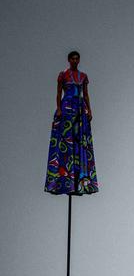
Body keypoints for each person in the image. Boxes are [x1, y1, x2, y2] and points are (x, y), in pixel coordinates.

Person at [45, 50, 98, 195]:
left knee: (78, 141)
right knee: (65, 142)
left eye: (77, 59)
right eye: (73, 59)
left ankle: (79, 180)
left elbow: (86, 94)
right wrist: (59, 109)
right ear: (69, 60)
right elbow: (58, 93)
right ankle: (62, 180)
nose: (75, 61)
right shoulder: (63, 75)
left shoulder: (83, 76)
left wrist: (89, 110)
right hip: (67, 107)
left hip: (80, 109)